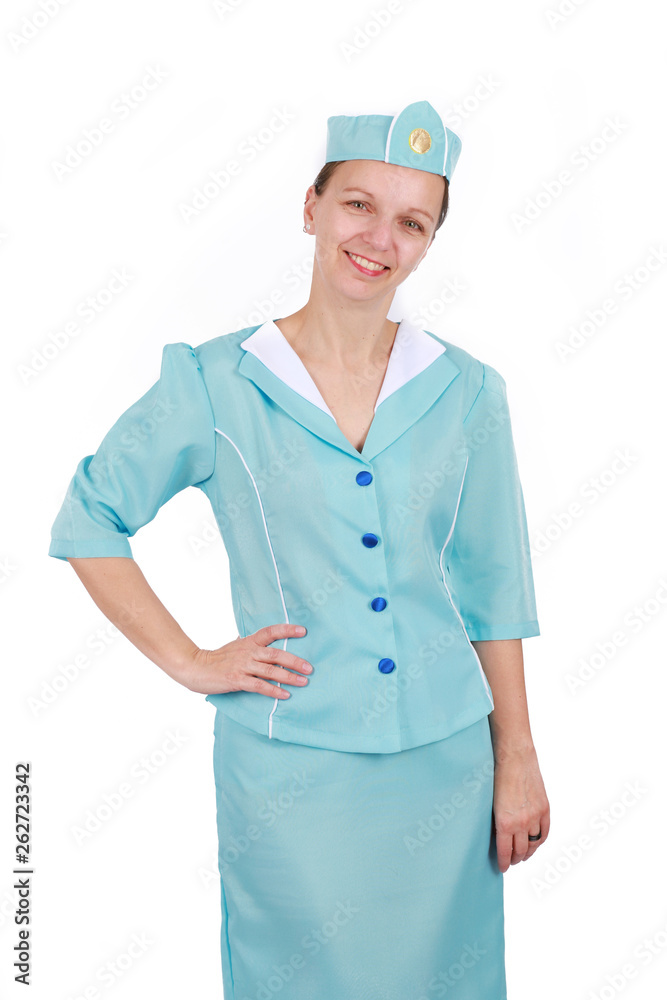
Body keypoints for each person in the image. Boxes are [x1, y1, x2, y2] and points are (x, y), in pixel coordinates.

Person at [49, 99, 550, 999]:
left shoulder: (469, 391)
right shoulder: (215, 381)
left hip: (445, 767)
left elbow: (493, 586)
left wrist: (516, 757)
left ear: (428, 244)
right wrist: (191, 661)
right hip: (289, 775)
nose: (379, 239)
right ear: (310, 206)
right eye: (358, 204)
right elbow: (89, 520)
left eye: (411, 223)